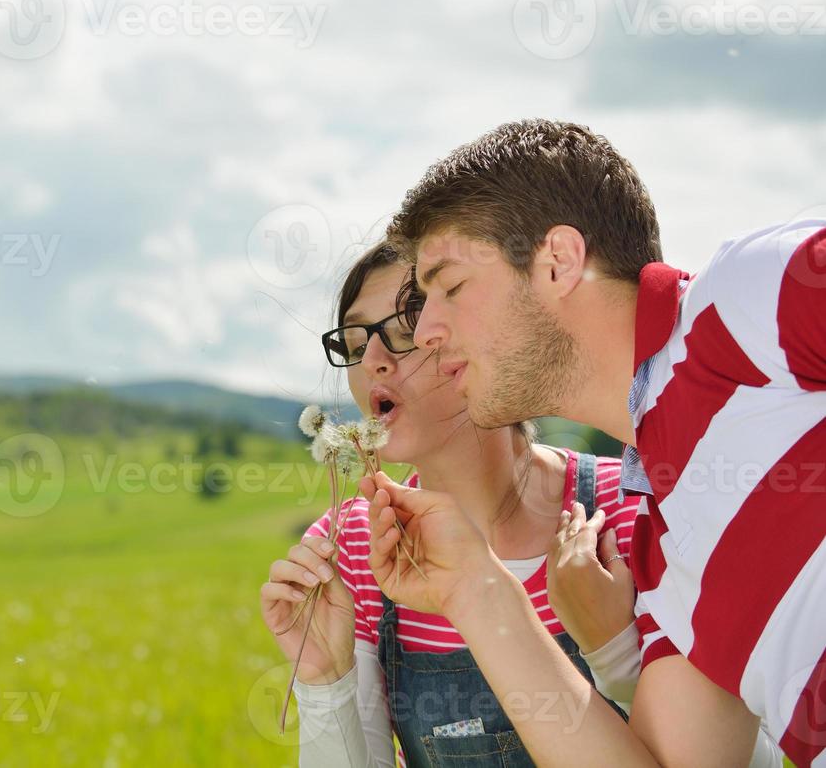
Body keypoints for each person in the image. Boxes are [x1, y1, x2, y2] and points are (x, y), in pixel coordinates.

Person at [363, 118, 819, 766]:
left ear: (557, 263)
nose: (427, 331)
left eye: (451, 288)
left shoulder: (741, 301)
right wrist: (473, 586)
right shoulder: (660, 556)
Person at [261, 240, 653, 766]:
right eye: (355, 343)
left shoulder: (629, 510)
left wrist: (617, 652)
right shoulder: (353, 548)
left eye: (404, 331)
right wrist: (326, 682)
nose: (373, 362)